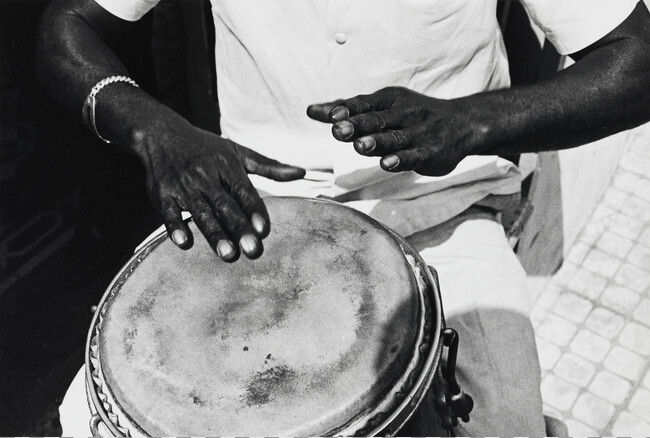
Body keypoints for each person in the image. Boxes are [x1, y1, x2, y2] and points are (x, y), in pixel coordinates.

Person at [36, 0, 650, 435]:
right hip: (254, 211)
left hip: (441, 210)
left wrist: (473, 120)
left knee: (504, 423)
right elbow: (66, 25)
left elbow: (636, 59)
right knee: (88, 417)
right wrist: (152, 127)